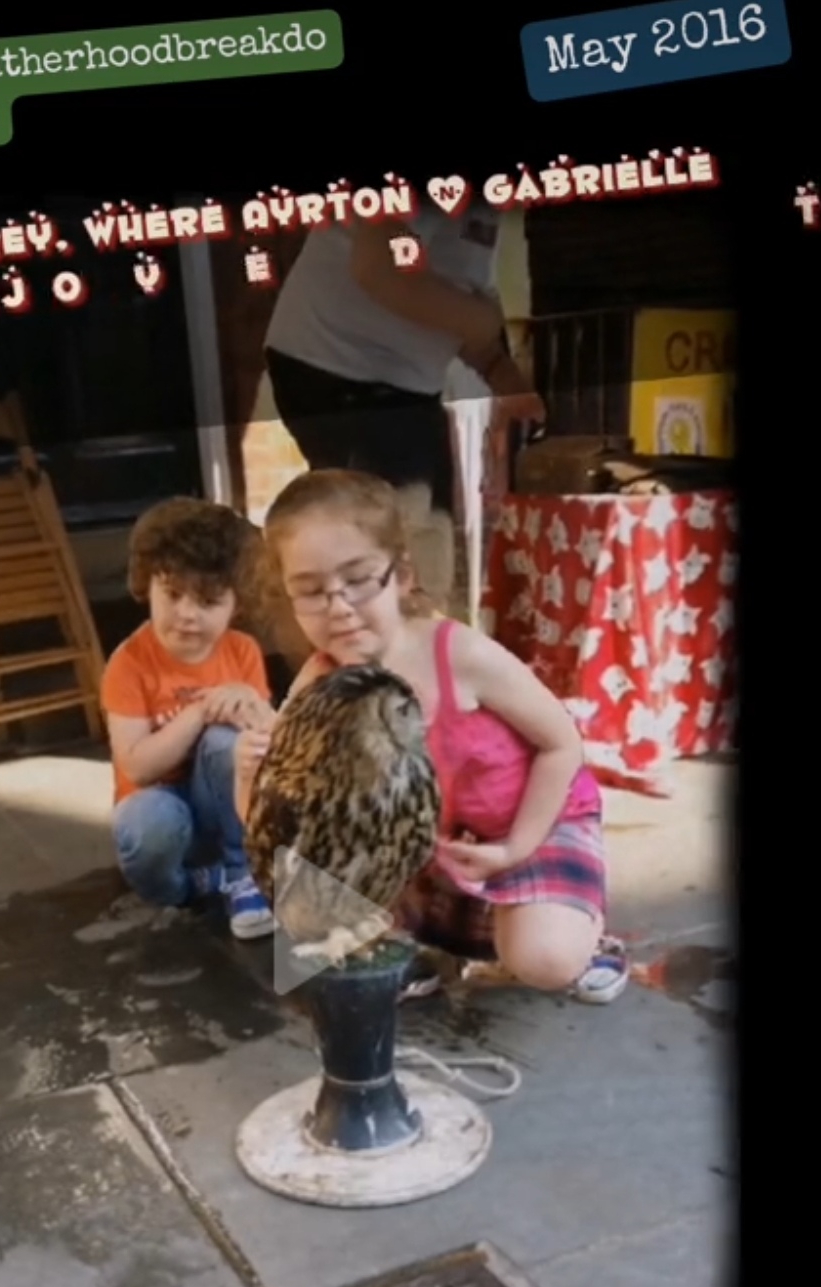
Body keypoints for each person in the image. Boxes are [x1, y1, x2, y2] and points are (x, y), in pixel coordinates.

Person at [233, 470, 629, 1003]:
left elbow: (562, 745)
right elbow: (283, 831)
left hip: (535, 821)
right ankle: (416, 946)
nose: (339, 606)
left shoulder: (461, 654)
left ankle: (584, 936)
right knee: (308, 915)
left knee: (545, 959)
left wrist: (516, 847)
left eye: (357, 579)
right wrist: (249, 775)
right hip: (432, 844)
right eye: (311, 591)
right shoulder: (319, 683)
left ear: (400, 573)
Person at [263, 196, 546, 611]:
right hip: (341, 369)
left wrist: (503, 374)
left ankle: (420, 655)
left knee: (428, 545)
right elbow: (379, 269)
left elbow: (455, 282)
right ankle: (394, 662)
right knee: (402, 552)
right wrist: (481, 322)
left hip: (394, 382)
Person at [100, 498, 277, 940]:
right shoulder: (128, 664)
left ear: (237, 604)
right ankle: (188, 885)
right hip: (157, 809)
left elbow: (271, 743)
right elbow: (138, 766)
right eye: (173, 594)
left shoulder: (242, 652)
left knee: (228, 738)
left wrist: (251, 706)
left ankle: (242, 876)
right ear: (148, 585)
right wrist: (198, 711)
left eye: (208, 601)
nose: (186, 614)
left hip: (222, 811)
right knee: (150, 826)